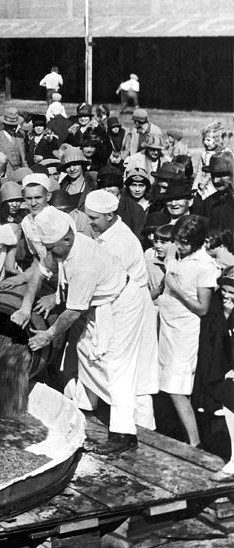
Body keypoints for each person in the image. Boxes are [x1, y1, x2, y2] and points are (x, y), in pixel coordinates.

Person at [23, 208, 146, 455]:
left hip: (121, 305)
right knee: (85, 351)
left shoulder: (84, 263)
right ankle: (86, 408)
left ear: (66, 239)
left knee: (116, 365)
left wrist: (47, 335)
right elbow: (39, 270)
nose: (49, 253)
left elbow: (72, 312)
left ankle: (124, 433)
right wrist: (26, 306)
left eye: (52, 247)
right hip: (98, 305)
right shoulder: (62, 246)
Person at [84, 190, 158, 430]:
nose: (90, 222)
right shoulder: (105, 233)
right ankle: (91, 413)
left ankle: (143, 431)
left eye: (94, 218)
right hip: (115, 307)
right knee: (94, 356)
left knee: (134, 373)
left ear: (110, 215)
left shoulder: (121, 242)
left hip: (131, 310)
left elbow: (104, 282)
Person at [157, 216, 217, 447]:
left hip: (184, 333)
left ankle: (195, 442)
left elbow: (202, 308)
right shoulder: (180, 256)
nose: (178, 246)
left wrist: (176, 288)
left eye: (183, 242)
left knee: (177, 389)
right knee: (167, 386)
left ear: (197, 240)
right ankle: (182, 436)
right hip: (168, 328)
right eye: (177, 241)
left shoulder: (204, 266)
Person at [212, 274, 234, 481]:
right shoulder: (227, 314)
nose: (226, 295)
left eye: (232, 292)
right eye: (224, 291)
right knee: (228, 398)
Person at [0, 107, 26, 173]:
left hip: (21, 173)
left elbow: (24, 159)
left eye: (15, 125)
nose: (14, 128)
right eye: (11, 126)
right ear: (4, 124)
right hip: (6, 174)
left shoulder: (20, 136)